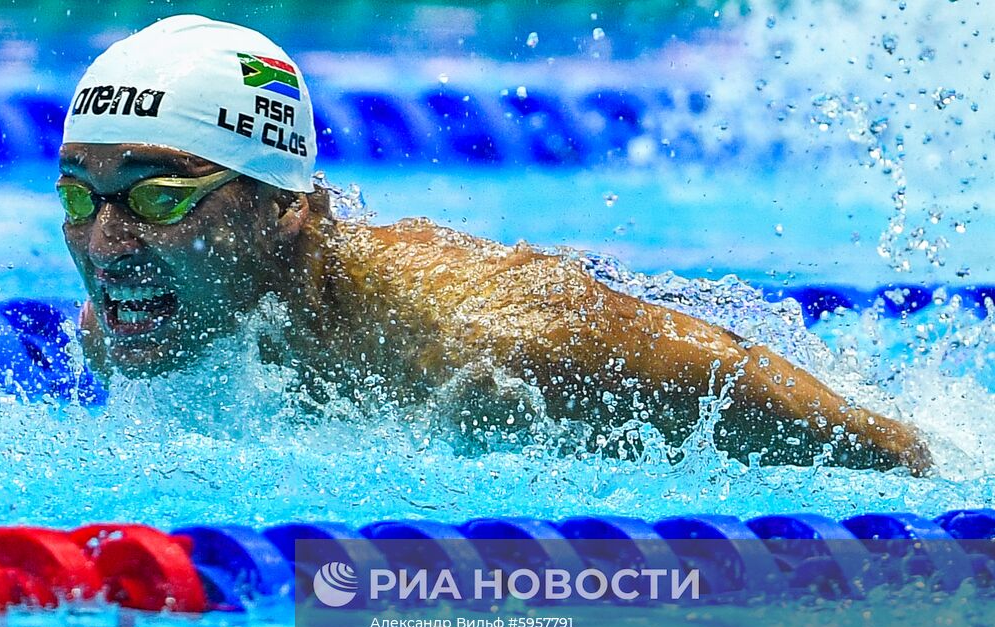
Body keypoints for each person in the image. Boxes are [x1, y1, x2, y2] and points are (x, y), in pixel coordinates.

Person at [56, 15, 931, 475]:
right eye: (78, 197)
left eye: (159, 197)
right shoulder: (136, 327)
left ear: (284, 205)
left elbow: (890, 454)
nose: (106, 244)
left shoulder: (498, 345)